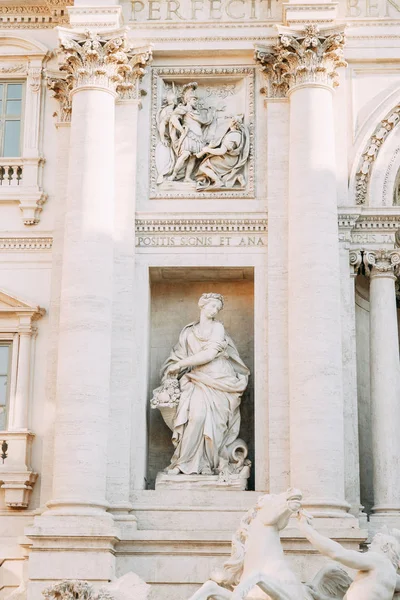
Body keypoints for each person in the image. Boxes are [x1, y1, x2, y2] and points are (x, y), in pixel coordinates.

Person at [161, 293, 249, 476]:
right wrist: (173, 367)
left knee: (215, 424)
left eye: (218, 308)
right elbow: (177, 355)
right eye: (212, 306)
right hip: (196, 380)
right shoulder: (188, 332)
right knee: (196, 416)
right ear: (202, 306)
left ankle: (208, 464)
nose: (215, 310)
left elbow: (209, 355)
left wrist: (180, 365)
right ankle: (183, 462)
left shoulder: (218, 328)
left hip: (219, 379)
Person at [297, 511, 400, 600]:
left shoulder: (379, 560)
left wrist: (307, 530)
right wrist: (321, 597)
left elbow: (337, 553)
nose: (369, 546)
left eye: (374, 543)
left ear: (385, 547)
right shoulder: (392, 577)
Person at [168, 82, 215, 183]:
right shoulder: (184, 109)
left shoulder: (197, 112)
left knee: (193, 158)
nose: (196, 102)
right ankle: (174, 174)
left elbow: (206, 120)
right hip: (188, 135)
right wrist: (180, 129)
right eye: (194, 99)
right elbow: (173, 118)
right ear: (188, 100)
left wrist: (211, 112)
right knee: (185, 154)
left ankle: (187, 177)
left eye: (196, 100)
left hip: (198, 136)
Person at [195, 114, 249, 190]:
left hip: (226, 159)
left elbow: (222, 151)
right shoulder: (238, 134)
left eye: (230, 119)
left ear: (232, 123)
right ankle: (237, 177)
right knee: (219, 174)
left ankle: (218, 182)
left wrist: (207, 150)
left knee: (203, 166)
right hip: (233, 159)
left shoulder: (231, 136)